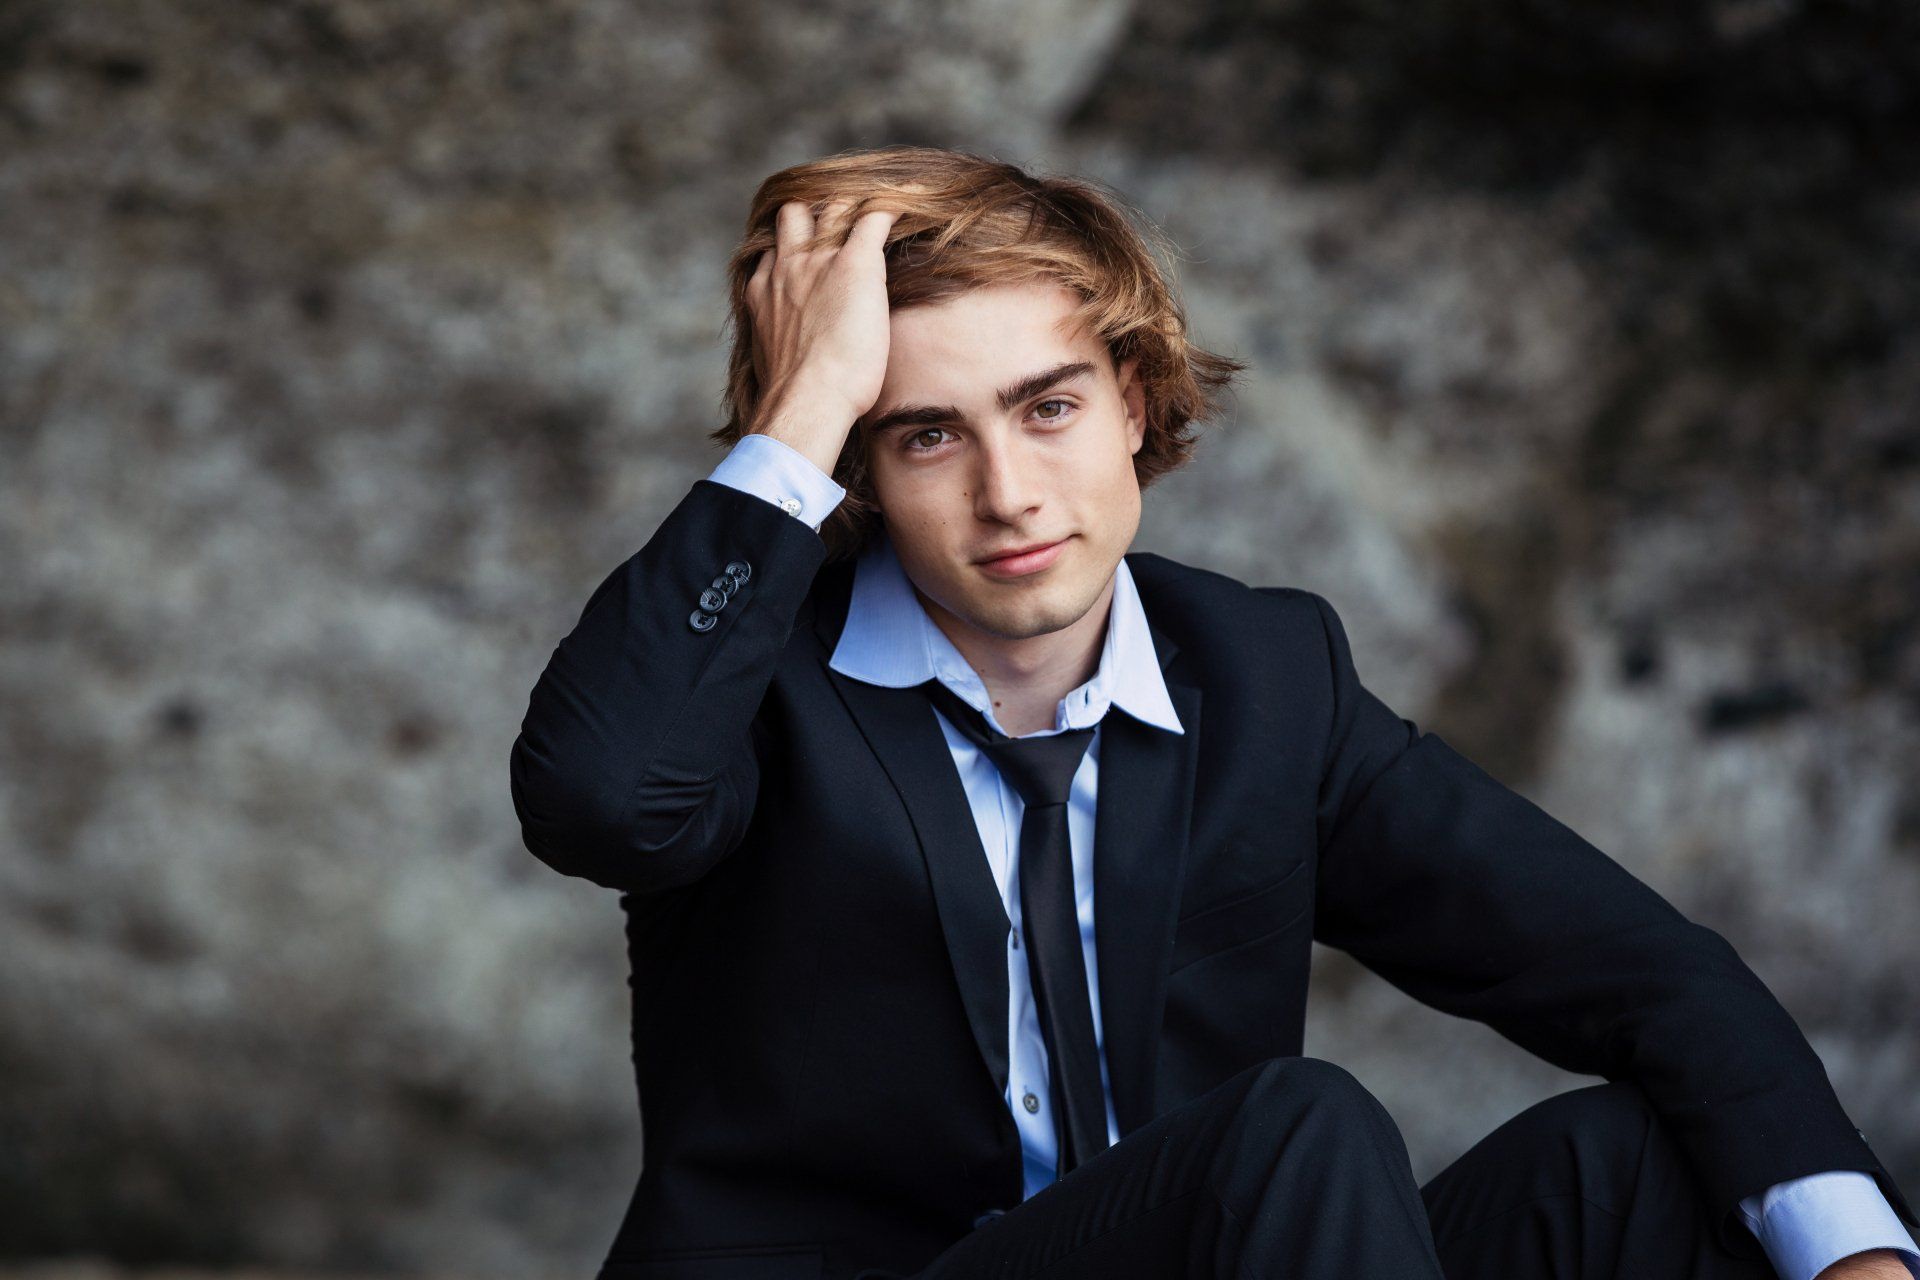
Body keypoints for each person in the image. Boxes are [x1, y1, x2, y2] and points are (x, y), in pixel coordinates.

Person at [508, 145, 1919, 1280]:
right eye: (926, 434)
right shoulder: (747, 690)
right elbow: (598, 797)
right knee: (1295, 1132)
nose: (1009, 493)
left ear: (1133, 399)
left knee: (1644, 1169)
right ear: (860, 474)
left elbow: (1645, 975)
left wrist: (1858, 1263)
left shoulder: (1260, 675)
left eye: (1047, 406)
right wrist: (803, 402)